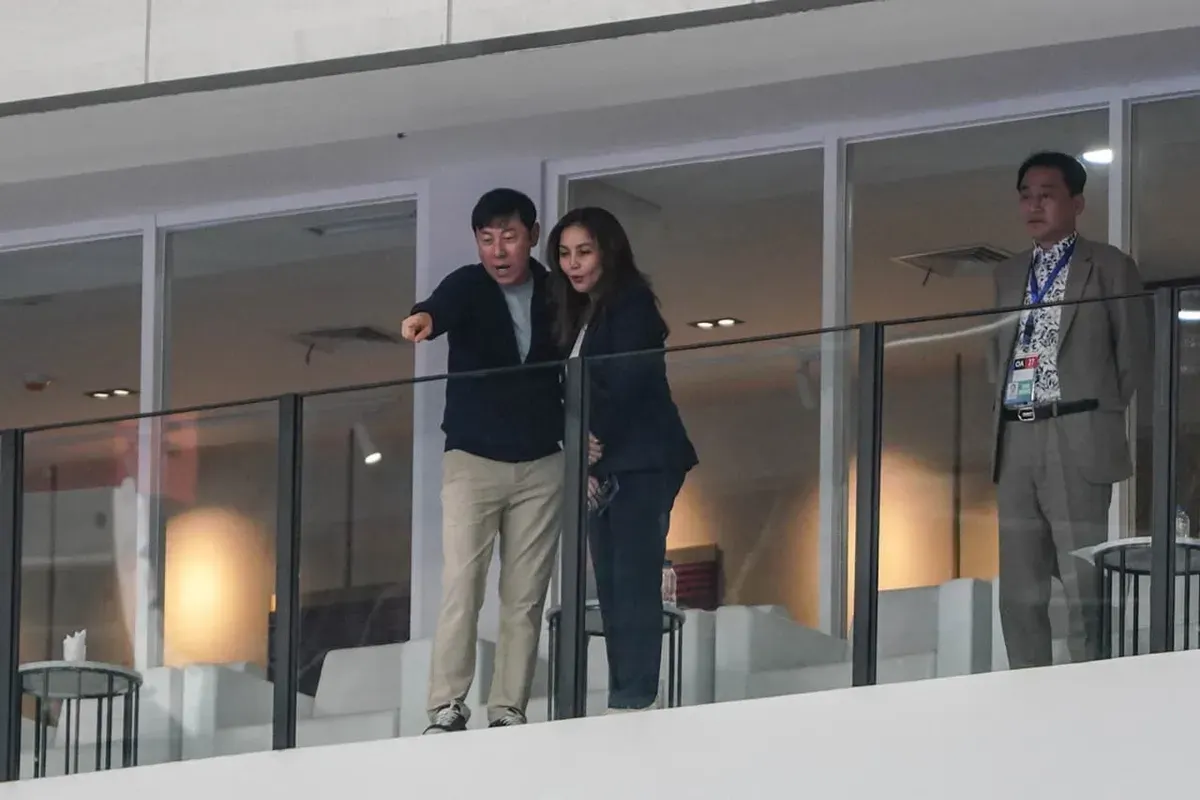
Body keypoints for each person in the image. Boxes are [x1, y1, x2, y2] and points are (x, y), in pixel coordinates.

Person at [401, 188, 565, 732]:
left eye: (509, 237)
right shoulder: (469, 285)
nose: (498, 250)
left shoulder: (555, 290)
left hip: (542, 462)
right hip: (473, 460)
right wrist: (422, 319)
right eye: (487, 238)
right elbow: (438, 306)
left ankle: (508, 707)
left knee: (525, 595)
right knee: (462, 586)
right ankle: (446, 704)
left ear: (532, 236)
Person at [990, 151, 1149, 669]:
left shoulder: (1109, 265)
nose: (1034, 205)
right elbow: (997, 354)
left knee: (1084, 582)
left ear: (1076, 203)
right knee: (1019, 588)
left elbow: (1133, 355)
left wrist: (1093, 410)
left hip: (1076, 427)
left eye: (1047, 195)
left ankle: (1090, 689)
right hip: (1016, 433)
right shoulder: (1008, 273)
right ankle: (1026, 689)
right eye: (1026, 196)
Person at [547, 206, 698, 712]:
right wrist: (579, 451)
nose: (573, 263)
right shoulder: (579, 315)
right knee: (611, 583)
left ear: (608, 252)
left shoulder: (631, 304)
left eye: (584, 252)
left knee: (633, 578)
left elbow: (629, 382)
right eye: (564, 253)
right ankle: (624, 695)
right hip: (604, 464)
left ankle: (635, 697)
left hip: (640, 460)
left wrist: (591, 446)